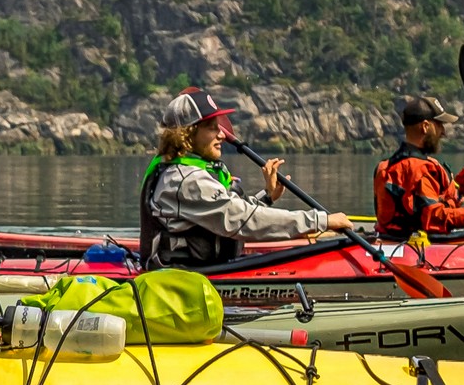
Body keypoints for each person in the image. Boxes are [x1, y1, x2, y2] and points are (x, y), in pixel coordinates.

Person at [137, 87, 352, 268]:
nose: (221, 134)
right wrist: (320, 221)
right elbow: (243, 221)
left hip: (205, 269)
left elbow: (228, 213)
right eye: (212, 128)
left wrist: (266, 197)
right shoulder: (186, 180)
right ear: (187, 134)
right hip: (183, 280)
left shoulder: (187, 173)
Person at [373, 94, 464, 243]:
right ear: (425, 126)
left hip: (389, 242)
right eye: (439, 125)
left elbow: (452, 197)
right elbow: (434, 217)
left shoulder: (383, 167)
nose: (443, 132)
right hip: (417, 250)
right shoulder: (422, 170)